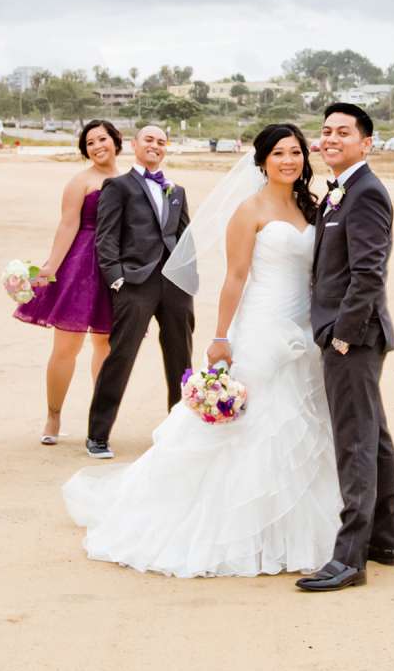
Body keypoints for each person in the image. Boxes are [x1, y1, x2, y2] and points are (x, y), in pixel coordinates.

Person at [63, 124, 339, 576]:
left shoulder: (312, 206)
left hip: (304, 326)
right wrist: (220, 337)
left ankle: (300, 526)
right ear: (262, 160)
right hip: (263, 324)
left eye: (295, 153)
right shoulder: (248, 210)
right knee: (254, 423)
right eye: (278, 153)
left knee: (303, 418)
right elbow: (234, 278)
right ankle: (242, 528)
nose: (288, 161)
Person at [297, 101, 394, 592]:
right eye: (326, 131)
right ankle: (385, 539)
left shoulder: (366, 193)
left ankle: (349, 558)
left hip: (353, 338)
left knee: (354, 442)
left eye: (344, 131)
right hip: (350, 334)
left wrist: (342, 332)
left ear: (366, 142)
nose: (332, 138)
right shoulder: (340, 192)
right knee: (373, 436)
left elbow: (368, 272)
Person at [83, 123, 192, 461]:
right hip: (134, 282)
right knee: (120, 356)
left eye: (161, 141)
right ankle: (97, 434)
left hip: (174, 284)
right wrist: (115, 278)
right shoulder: (118, 186)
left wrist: (189, 277)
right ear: (134, 144)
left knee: (180, 357)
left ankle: (180, 429)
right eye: (149, 139)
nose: (155, 145)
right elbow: (106, 236)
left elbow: (185, 236)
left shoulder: (177, 190)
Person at [14, 119, 122, 443]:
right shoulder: (80, 182)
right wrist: (50, 267)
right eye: (90, 143)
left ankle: (99, 418)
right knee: (66, 345)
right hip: (81, 265)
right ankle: (53, 416)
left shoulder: (131, 181)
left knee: (105, 344)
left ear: (116, 141)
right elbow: (67, 225)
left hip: (115, 265)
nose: (98, 146)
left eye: (102, 139)